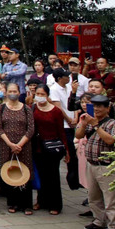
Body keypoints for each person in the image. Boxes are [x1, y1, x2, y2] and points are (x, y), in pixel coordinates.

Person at [77, 94, 115, 229]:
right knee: (93, 197)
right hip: (92, 164)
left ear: (107, 108)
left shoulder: (112, 124)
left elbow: (110, 140)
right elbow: (78, 135)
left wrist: (96, 125)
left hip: (107, 166)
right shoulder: (89, 120)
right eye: (94, 106)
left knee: (110, 199)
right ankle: (99, 221)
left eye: (99, 106)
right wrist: (84, 124)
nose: (96, 109)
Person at [0, 82, 35, 214]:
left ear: (19, 93)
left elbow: (30, 129)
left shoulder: (26, 109)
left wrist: (20, 144)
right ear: (6, 92)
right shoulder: (1, 108)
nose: (12, 94)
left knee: (25, 172)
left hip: (24, 146)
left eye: (15, 91)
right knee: (10, 171)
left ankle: (26, 204)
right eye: (10, 91)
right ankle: (13, 202)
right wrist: (10, 144)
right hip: (7, 145)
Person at [32, 84, 69, 215]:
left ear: (47, 95)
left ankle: (55, 204)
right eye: (38, 94)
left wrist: (66, 150)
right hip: (38, 147)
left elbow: (61, 131)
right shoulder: (33, 108)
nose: (40, 97)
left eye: (43, 94)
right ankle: (41, 201)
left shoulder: (55, 111)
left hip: (53, 147)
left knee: (53, 176)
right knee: (40, 175)